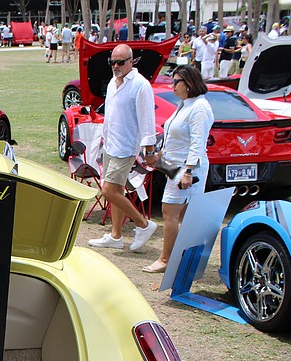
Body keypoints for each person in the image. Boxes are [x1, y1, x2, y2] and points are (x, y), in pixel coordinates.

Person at [142, 65, 214, 273]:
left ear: (189, 83)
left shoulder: (199, 107)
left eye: (176, 82)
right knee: (184, 215)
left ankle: (166, 259)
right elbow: (175, 138)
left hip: (186, 168)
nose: (172, 85)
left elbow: (198, 143)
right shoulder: (185, 105)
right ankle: (187, 256)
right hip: (175, 167)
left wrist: (189, 172)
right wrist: (160, 155)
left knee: (169, 211)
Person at [88, 44, 158, 251]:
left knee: (108, 190)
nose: (116, 66)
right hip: (111, 143)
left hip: (126, 147)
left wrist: (149, 150)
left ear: (131, 61)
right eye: (112, 62)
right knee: (117, 190)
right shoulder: (112, 82)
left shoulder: (140, 85)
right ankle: (116, 235)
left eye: (120, 62)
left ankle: (143, 224)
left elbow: (147, 120)